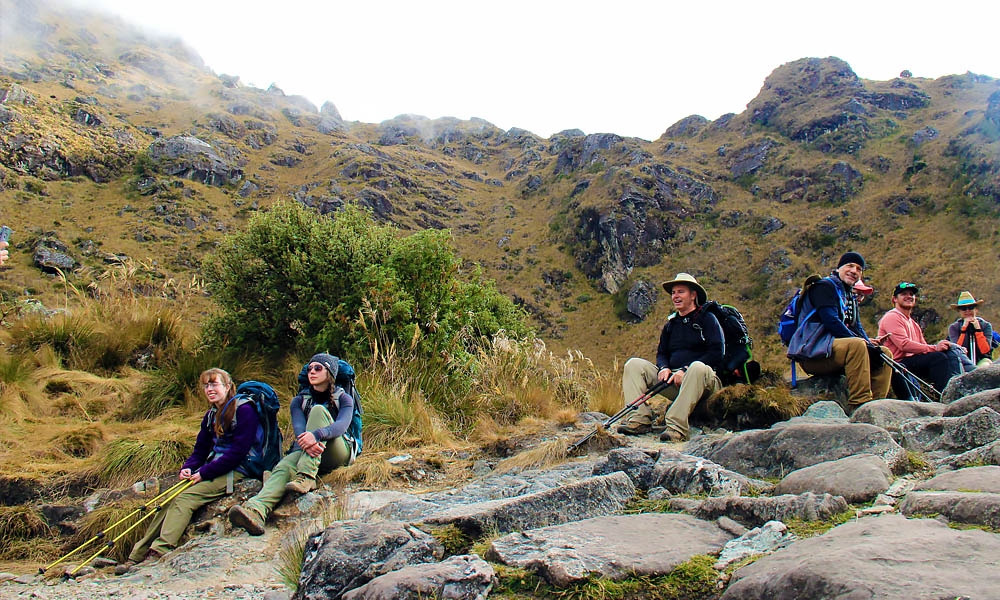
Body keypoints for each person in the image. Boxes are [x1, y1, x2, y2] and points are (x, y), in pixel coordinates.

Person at [117, 368, 259, 574]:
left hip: (239, 469)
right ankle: (136, 556)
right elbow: (200, 450)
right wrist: (188, 468)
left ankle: (160, 551)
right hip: (217, 467)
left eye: (214, 384)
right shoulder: (211, 415)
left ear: (228, 386)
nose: (210, 389)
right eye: (206, 385)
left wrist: (204, 473)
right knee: (168, 500)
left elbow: (238, 453)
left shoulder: (245, 410)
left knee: (184, 499)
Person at [229, 353, 354, 535]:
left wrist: (318, 435)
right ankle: (256, 510)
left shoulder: (343, 399)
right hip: (309, 451)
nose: (312, 372)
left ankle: (306, 476)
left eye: (318, 368)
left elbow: (341, 426)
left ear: (330, 373)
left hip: (337, 451)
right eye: (310, 368)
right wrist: (310, 442)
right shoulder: (299, 401)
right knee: (284, 466)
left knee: (318, 411)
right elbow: (299, 432)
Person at [616, 273, 724, 443]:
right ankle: (638, 419)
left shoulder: (708, 319)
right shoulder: (671, 325)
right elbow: (662, 353)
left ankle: (677, 428)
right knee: (634, 365)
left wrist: (684, 370)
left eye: (681, 292)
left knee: (697, 367)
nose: (676, 296)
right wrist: (664, 367)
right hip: (675, 382)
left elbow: (717, 352)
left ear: (693, 295)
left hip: (704, 381)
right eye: (673, 292)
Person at [791, 252, 892, 411]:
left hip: (831, 350)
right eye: (850, 266)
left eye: (859, 269)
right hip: (813, 353)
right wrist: (865, 345)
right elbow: (831, 321)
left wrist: (872, 348)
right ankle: (860, 404)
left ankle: (876, 406)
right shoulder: (824, 287)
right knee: (857, 346)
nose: (854, 271)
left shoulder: (848, 295)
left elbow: (857, 327)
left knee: (884, 353)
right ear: (839, 268)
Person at [877, 282, 961, 397]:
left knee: (948, 354)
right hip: (897, 363)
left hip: (912, 361)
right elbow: (904, 345)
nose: (909, 296)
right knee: (938, 358)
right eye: (904, 294)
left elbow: (923, 347)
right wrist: (935, 348)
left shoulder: (913, 324)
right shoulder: (892, 317)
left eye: (911, 294)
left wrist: (941, 347)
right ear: (894, 299)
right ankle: (944, 395)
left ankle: (956, 389)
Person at [948, 291, 995, 371]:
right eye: (963, 309)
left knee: (985, 368)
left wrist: (978, 330)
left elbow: (985, 350)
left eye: (970, 307)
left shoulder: (986, 326)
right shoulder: (954, 328)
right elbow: (957, 351)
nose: (967, 311)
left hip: (982, 360)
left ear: (976, 309)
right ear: (959, 311)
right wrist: (963, 330)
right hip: (962, 362)